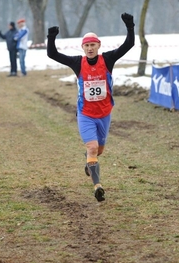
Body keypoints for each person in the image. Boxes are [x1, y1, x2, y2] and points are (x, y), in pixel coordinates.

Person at [47, 13, 135, 202]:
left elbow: (129, 45)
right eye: (86, 45)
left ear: (98, 46)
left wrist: (130, 26)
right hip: (85, 114)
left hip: (104, 114)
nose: (89, 48)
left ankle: (89, 160)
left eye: (92, 45)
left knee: (98, 151)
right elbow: (52, 54)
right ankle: (98, 186)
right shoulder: (78, 63)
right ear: (83, 48)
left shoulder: (108, 60)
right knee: (92, 147)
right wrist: (51, 37)